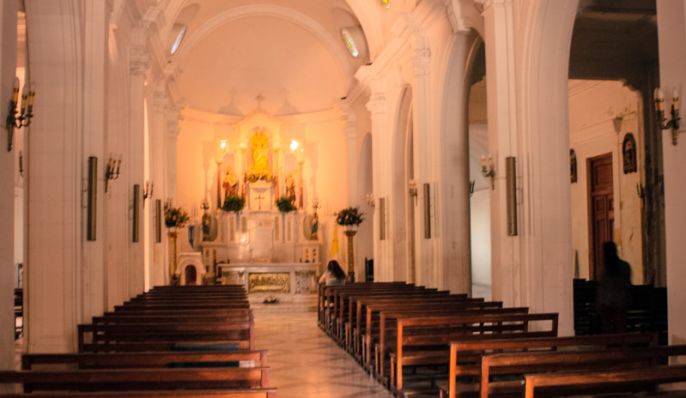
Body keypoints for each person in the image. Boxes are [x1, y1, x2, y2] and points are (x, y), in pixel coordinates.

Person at [597, 241, 632, 333]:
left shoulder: (603, 269)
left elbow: (602, 287)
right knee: (621, 328)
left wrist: (600, 302)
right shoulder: (625, 266)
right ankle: (623, 345)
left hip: (608, 303)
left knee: (608, 330)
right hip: (621, 302)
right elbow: (628, 284)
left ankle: (610, 345)